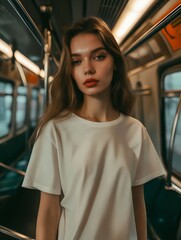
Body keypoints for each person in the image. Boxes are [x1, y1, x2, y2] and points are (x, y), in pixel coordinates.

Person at [22, 16, 166, 240]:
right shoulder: (56, 131)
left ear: (115, 63)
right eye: (77, 61)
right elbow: (49, 212)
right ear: (70, 71)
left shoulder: (135, 131)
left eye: (98, 57)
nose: (88, 69)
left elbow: (137, 205)